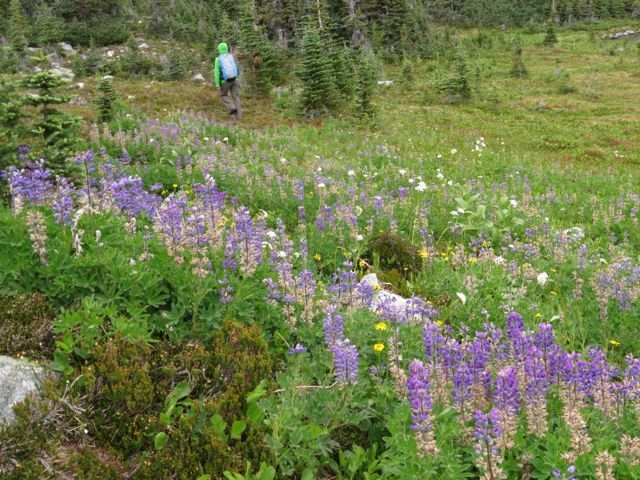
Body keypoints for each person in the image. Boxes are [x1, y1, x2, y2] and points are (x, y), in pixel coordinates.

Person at [214, 42, 241, 120]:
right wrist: (236, 78)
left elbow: (217, 72)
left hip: (225, 82)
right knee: (236, 97)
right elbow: (235, 67)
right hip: (235, 79)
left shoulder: (218, 59)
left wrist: (217, 84)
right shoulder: (231, 56)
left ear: (219, 49)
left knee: (223, 95)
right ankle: (239, 117)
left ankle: (232, 108)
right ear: (227, 48)